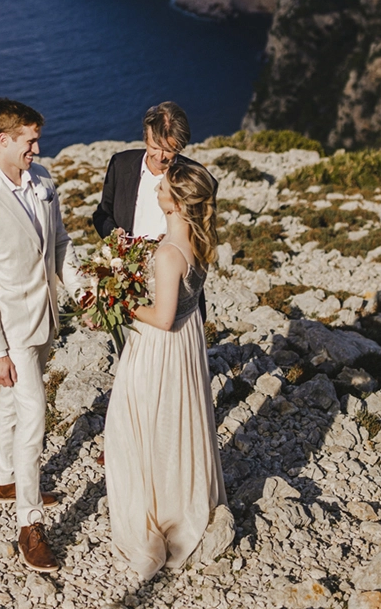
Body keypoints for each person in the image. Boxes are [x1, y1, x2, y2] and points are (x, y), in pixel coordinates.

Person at [0, 98, 84, 574]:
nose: (37, 147)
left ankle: (3, 479)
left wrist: (81, 291)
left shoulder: (44, 179)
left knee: (11, 404)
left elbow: (62, 244)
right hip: (11, 332)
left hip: (46, 318)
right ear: (2, 141)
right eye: (29, 140)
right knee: (33, 416)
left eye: (37, 139)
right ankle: (29, 524)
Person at [104, 157, 229, 580]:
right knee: (175, 423)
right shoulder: (197, 241)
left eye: (162, 189)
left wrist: (118, 303)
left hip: (159, 347)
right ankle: (179, 496)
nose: (155, 190)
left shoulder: (168, 253)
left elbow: (160, 316)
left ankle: (155, 514)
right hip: (187, 345)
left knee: (137, 423)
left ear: (175, 203)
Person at [93, 101, 206, 325]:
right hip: (127, 283)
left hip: (174, 291)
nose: (161, 156)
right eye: (155, 146)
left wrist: (176, 242)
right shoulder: (121, 164)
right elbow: (101, 215)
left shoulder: (197, 178)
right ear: (146, 135)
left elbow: (204, 236)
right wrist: (113, 234)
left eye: (170, 150)